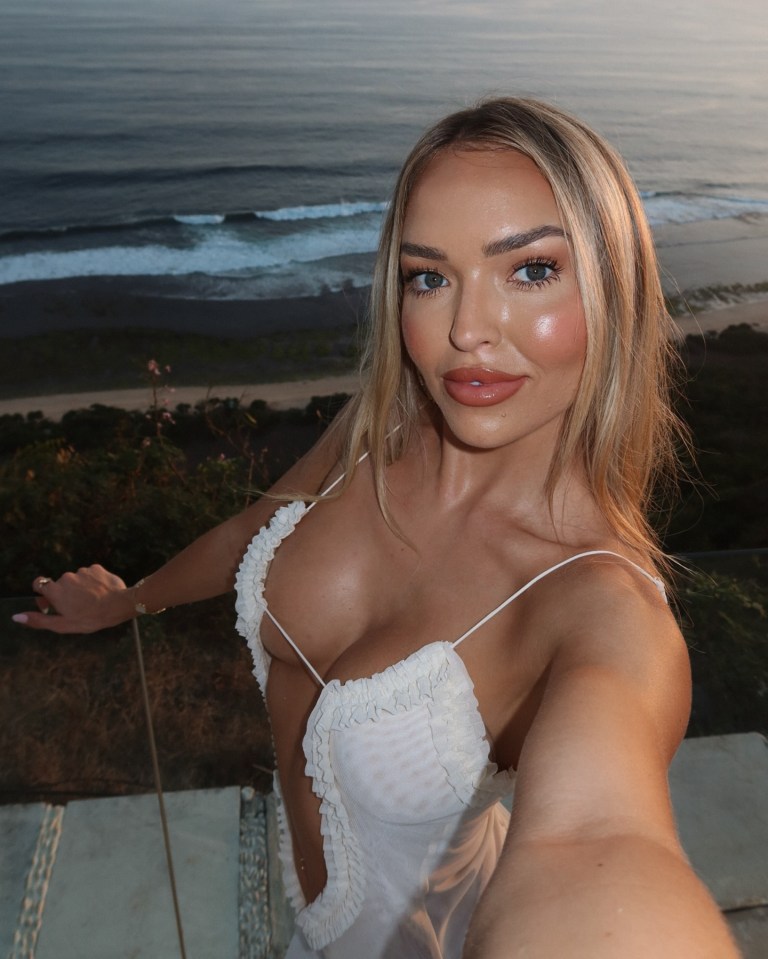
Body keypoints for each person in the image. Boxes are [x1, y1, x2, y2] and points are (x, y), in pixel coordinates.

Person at [15, 98, 739, 958]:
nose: (465, 332)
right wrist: (130, 602)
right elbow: (261, 525)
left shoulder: (599, 609)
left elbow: (598, 842)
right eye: (428, 277)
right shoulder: (386, 421)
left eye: (531, 270)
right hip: (311, 916)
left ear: (616, 287)